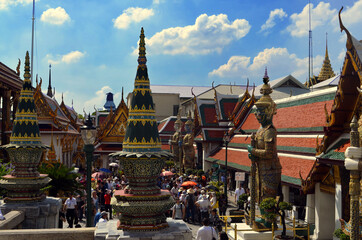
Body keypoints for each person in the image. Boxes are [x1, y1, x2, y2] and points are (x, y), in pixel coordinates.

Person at [247, 71, 282, 203]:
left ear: (268, 112)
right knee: (260, 195)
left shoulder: (269, 131)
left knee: (267, 196)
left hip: (270, 169)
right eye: (257, 112)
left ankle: (269, 221)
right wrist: (253, 154)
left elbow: (268, 153)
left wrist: (252, 150)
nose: (257, 115)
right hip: (261, 168)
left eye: (260, 111)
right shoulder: (260, 130)